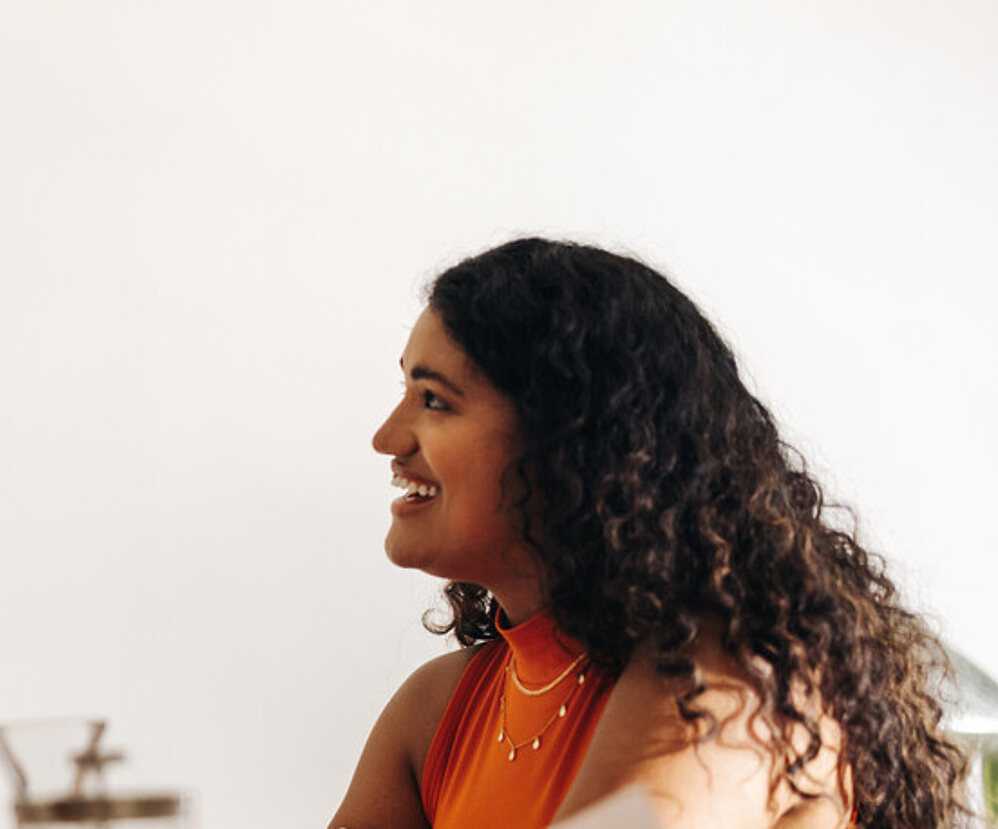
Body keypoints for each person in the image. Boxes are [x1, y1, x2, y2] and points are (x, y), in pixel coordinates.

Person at [330, 238, 969, 828]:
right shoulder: (440, 710)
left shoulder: (729, 682)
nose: (387, 438)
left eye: (435, 400)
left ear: (572, 439)